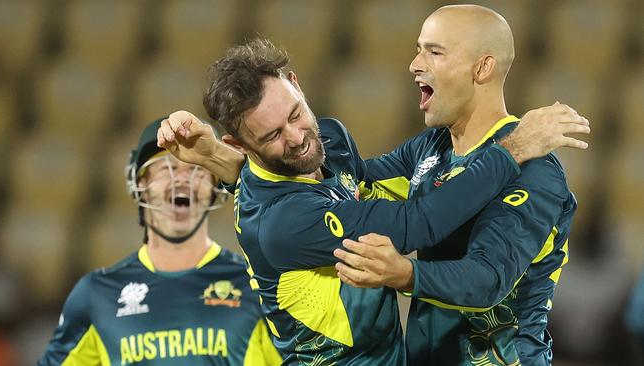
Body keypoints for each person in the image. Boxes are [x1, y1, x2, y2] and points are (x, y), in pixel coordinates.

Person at [156, 37, 589, 364]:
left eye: (294, 115)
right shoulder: (281, 222)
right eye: (271, 136)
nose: (297, 139)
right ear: (242, 143)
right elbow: (417, 222)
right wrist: (513, 149)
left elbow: (366, 182)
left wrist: (216, 155)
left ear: (295, 84)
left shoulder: (329, 140)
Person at [332, 5, 580, 365]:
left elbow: (488, 278)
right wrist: (248, 167)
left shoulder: (535, 168)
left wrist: (404, 273)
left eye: (434, 51)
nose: (415, 64)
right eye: (419, 49)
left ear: (482, 68)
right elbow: (349, 182)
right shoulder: (429, 147)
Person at [38, 118, 282, 365]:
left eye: (197, 170)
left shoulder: (258, 287)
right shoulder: (95, 294)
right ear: (141, 184)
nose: (182, 180)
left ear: (214, 187)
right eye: (167, 168)